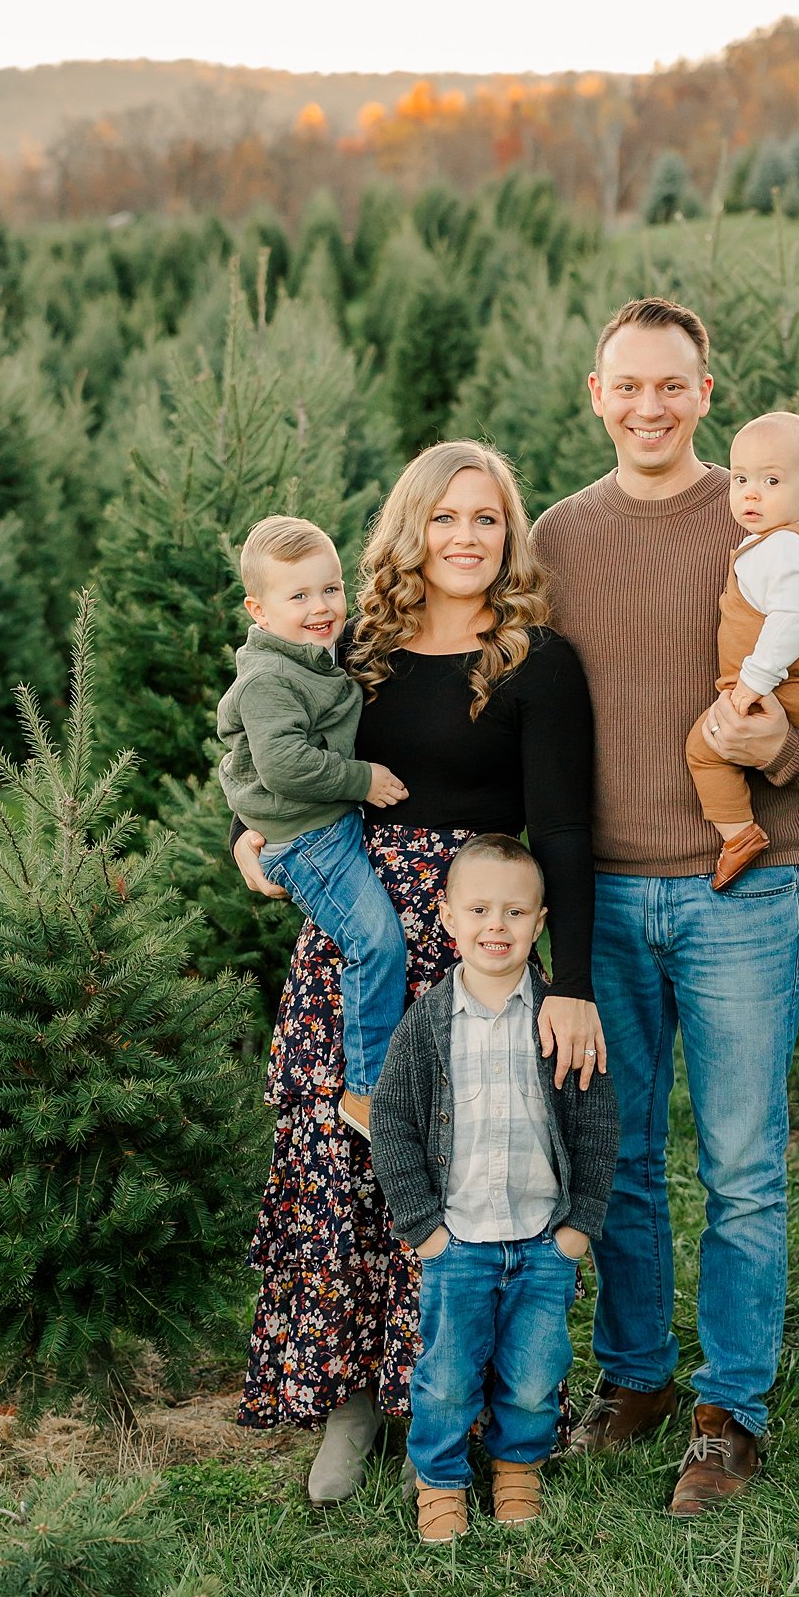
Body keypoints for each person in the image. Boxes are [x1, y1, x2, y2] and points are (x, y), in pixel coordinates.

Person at [531, 296, 799, 1516]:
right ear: (595, 393)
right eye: (626, 385)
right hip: (605, 900)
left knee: (742, 1166)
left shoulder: (776, 518)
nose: (648, 406)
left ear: (706, 391)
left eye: (670, 385)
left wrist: (783, 746)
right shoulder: (556, 540)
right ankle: (630, 1378)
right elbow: (472, 683)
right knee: (621, 1161)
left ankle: (730, 1407)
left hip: (745, 894)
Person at [231, 441, 601, 1506]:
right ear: (413, 528)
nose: (466, 538)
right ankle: (349, 1402)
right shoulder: (353, 648)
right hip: (357, 931)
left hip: (477, 937)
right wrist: (249, 839)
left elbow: (565, 834)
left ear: (509, 534)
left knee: (469, 1167)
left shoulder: (537, 661)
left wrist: (565, 982)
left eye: (486, 519)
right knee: (341, 1158)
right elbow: (266, 748)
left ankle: (471, 1401)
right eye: (445, 518)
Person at [369, 835, 619, 1543]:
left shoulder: (559, 1018)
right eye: (478, 909)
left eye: (514, 912)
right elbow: (390, 1126)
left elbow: (598, 1122)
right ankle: (441, 1479)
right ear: (447, 918)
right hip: (459, 1243)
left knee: (536, 1374)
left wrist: (579, 1227)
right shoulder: (427, 1026)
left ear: (541, 923)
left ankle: (517, 1467)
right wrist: (425, 1228)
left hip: (543, 1240)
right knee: (446, 1377)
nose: (495, 926)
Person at [216, 513, 410, 1138]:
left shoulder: (316, 654)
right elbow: (282, 765)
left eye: (330, 589)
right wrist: (364, 780)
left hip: (326, 831)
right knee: (374, 941)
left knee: (374, 939)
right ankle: (368, 1090)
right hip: (308, 842)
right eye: (297, 596)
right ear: (259, 609)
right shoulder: (271, 677)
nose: (321, 607)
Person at [684, 412, 799, 889]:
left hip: (787, 687)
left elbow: (789, 625)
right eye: (742, 479)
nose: (751, 493)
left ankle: (739, 834)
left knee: (704, 748)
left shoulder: (779, 552)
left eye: (771, 481)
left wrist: (752, 682)